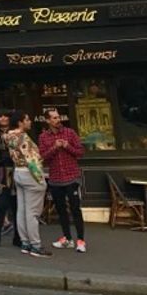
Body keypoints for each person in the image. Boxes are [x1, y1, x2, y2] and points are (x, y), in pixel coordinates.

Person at [39, 108, 86, 253]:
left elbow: (80, 152)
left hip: (71, 177)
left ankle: (81, 240)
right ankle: (67, 238)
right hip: (55, 179)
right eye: (53, 118)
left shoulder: (69, 133)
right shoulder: (43, 137)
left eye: (58, 117)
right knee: (61, 210)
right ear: (47, 120)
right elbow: (43, 157)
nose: (57, 120)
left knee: (75, 209)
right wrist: (55, 147)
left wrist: (67, 146)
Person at [7, 111, 50, 258]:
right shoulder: (23, 137)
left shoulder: (9, 136)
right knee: (33, 212)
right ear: (20, 122)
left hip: (18, 172)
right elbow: (32, 160)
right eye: (27, 119)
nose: (30, 121)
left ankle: (25, 242)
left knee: (22, 210)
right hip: (29, 173)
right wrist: (41, 180)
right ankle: (35, 245)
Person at [0, 111, 21, 248]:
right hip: (0, 172)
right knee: (1, 206)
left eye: (5, 116)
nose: (3, 118)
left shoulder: (16, 133)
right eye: (0, 116)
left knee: (16, 206)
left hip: (16, 170)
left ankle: (17, 238)